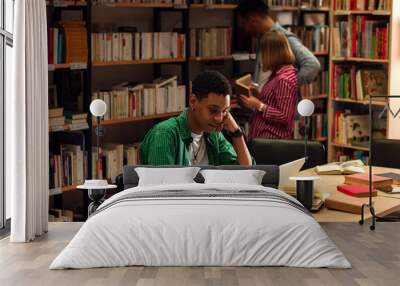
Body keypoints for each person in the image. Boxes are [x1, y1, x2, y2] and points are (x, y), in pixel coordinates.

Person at [140, 71, 253, 166]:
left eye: (224, 111)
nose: (219, 118)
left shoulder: (214, 135)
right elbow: (162, 188)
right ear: (193, 101)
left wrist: (237, 133)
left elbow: (247, 173)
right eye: (213, 110)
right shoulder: (164, 134)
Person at [236, 0, 320, 88]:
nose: (245, 30)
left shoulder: (284, 38)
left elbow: (312, 64)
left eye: (244, 24)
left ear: (252, 20)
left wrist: (286, 87)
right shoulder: (262, 39)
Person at [239, 31, 298, 140]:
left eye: (263, 53)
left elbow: (285, 116)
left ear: (271, 53)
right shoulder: (278, 73)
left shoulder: (283, 79)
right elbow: (275, 101)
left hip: (271, 142)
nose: (261, 57)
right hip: (265, 139)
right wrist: (258, 94)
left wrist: (259, 105)